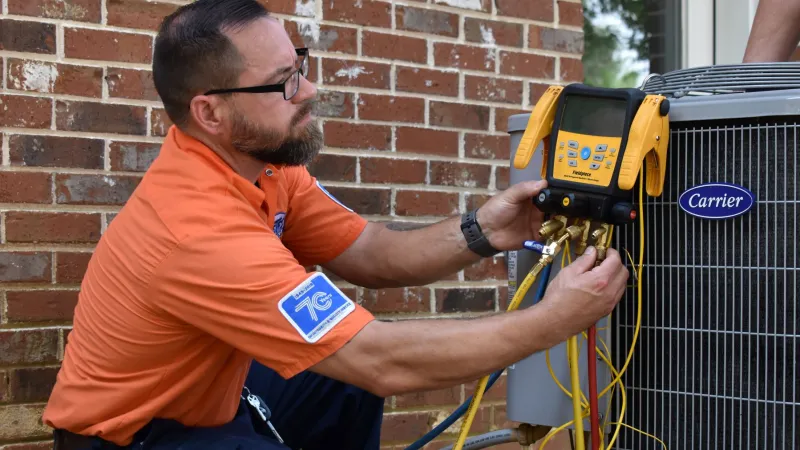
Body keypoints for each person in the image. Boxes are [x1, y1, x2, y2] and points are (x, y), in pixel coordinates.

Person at [42, 1, 630, 449]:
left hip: (211, 395)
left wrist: (485, 230)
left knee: (341, 379)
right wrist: (555, 318)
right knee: (356, 366)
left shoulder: (263, 165)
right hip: (132, 435)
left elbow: (370, 252)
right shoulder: (195, 228)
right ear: (210, 112)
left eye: (300, 64)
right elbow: (382, 359)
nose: (311, 89)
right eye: (283, 83)